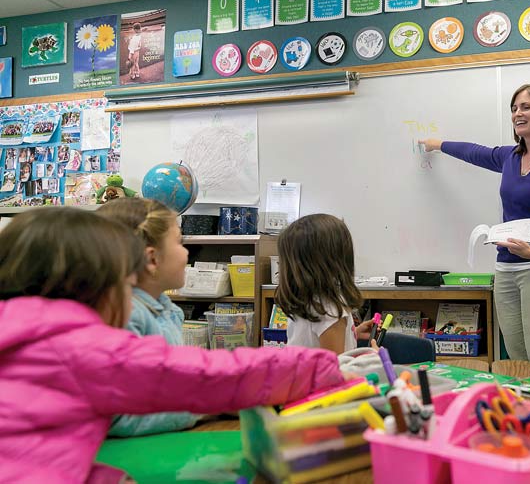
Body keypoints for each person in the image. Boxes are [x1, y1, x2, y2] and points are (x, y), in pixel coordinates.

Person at [0, 207, 345, 483]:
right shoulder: (78, 345)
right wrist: (319, 368)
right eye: (125, 278)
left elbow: (36, 446)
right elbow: (206, 375)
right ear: (99, 286)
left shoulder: (23, 330)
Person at [419, 83, 530, 362]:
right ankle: (525, 406)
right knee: (517, 355)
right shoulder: (510, 157)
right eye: (514, 108)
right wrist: (438, 144)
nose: (517, 113)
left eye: (526, 107)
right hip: (506, 268)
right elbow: (474, 152)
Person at [97, 197, 198, 437]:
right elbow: (118, 418)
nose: (186, 253)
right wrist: (203, 408)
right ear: (152, 259)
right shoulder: (124, 315)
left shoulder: (166, 309)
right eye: (180, 242)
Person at [275, 214, 372, 354]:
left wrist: (352, 333)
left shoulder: (308, 300)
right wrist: (371, 358)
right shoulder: (330, 310)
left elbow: (313, 341)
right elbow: (333, 370)